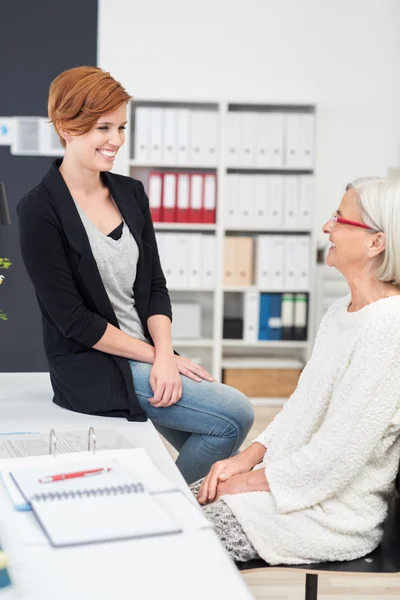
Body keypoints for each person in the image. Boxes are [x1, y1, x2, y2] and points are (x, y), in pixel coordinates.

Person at [17, 66, 254, 484]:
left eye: (122, 126)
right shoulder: (39, 209)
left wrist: (165, 352)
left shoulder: (130, 193)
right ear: (65, 127)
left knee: (218, 429)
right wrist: (161, 359)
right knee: (234, 414)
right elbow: (72, 320)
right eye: (102, 127)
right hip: (94, 363)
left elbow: (155, 287)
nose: (116, 141)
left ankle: (168, 508)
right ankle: (173, 508)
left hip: (147, 354)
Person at [191, 177, 400, 565]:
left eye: (339, 218)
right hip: (287, 489)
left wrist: (246, 484)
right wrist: (247, 458)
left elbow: (339, 454)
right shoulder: (341, 312)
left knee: (173, 538)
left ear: (376, 242)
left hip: (331, 517)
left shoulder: (390, 329)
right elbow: (302, 407)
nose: (326, 227)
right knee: (169, 509)